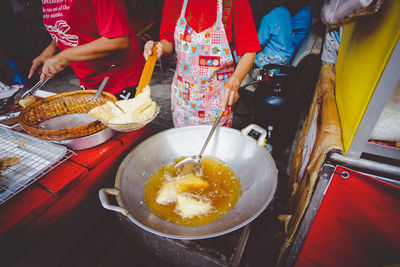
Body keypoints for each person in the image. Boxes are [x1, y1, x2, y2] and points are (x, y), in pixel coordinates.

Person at [143, 0, 260, 127]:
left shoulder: (234, 2)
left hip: (217, 100)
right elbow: (169, 43)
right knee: (184, 142)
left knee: (216, 144)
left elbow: (249, 50)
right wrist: (157, 47)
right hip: (183, 98)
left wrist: (235, 81)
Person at [29, 0, 145, 100]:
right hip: (88, 79)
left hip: (121, 77)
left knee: (125, 124)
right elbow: (71, 26)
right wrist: (50, 49)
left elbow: (118, 40)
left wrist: (65, 56)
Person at [254, 0, 295, 68]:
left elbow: (259, 44)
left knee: (247, 59)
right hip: (287, 58)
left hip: (272, 61)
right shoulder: (287, 12)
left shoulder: (267, 18)